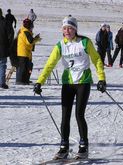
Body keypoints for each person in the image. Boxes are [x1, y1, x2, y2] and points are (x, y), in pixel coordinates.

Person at [33, 15, 106, 159]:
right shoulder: (60, 45)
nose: (67, 31)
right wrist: (39, 82)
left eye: (70, 28)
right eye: (65, 28)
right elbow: (50, 64)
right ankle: (63, 147)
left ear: (75, 29)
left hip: (83, 82)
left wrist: (102, 78)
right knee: (65, 116)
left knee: (79, 114)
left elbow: (96, 59)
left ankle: (84, 146)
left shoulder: (85, 42)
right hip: (68, 83)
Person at [16, 18, 41, 85]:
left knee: (27, 67)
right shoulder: (26, 32)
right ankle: (21, 81)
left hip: (24, 52)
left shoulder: (23, 30)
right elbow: (30, 42)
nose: (32, 28)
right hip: (24, 53)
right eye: (31, 26)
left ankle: (25, 80)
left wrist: (35, 38)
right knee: (24, 68)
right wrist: (36, 39)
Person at [0, 8, 9, 89]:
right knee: (2, 65)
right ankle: (2, 83)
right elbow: (10, 35)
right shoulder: (5, 22)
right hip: (3, 47)